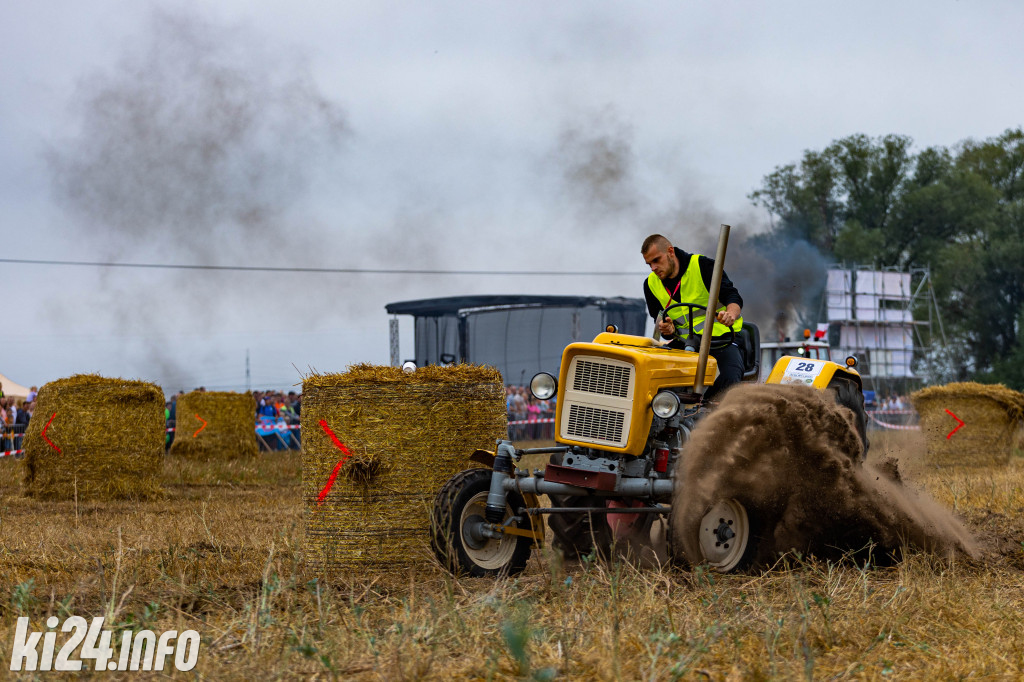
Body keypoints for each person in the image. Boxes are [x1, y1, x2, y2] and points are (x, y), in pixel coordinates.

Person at [641, 233, 744, 401]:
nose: (653, 268)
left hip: (720, 341)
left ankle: (714, 418)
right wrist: (667, 329)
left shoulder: (703, 266)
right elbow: (659, 323)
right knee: (651, 378)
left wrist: (730, 315)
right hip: (682, 345)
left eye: (656, 260)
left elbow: (733, 297)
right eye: (649, 264)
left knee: (728, 379)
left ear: (670, 252)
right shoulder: (650, 284)